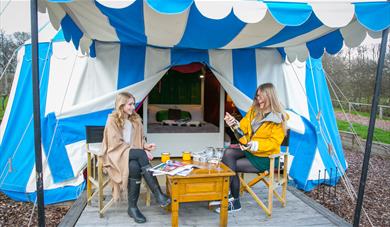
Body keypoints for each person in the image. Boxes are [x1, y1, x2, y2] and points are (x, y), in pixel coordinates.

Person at [216, 83, 287, 213]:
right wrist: (234, 124)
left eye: (261, 97)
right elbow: (242, 131)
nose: (258, 99)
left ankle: (232, 199)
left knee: (230, 164)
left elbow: (274, 143)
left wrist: (256, 144)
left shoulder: (278, 118)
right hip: (249, 150)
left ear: (269, 96)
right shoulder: (254, 111)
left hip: (266, 157)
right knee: (228, 154)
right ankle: (230, 197)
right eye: (257, 96)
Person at [101, 92, 171, 223]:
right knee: (139, 155)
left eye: (133, 103)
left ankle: (132, 208)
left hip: (131, 155)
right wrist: (141, 152)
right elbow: (114, 144)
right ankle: (158, 194)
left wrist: (145, 146)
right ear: (121, 105)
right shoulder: (112, 120)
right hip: (116, 154)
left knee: (134, 166)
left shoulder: (135, 120)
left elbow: (138, 140)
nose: (133, 107)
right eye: (130, 104)